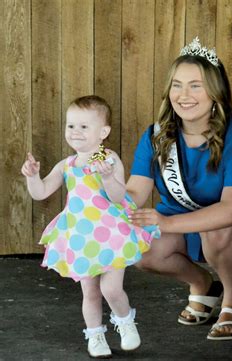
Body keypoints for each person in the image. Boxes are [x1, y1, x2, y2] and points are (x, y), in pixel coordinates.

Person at [126, 37, 232, 341]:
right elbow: (135, 193)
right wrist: (95, 201)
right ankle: (202, 284)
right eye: (177, 85)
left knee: (217, 227)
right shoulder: (155, 136)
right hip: (183, 218)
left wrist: (166, 223)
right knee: (139, 244)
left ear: (216, 92)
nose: (184, 95)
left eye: (196, 85)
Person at [21, 95, 155, 358]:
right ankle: (95, 336)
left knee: (111, 288)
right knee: (90, 293)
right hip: (81, 237)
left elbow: (118, 197)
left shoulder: (109, 159)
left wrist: (107, 176)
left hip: (110, 233)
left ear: (103, 132)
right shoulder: (67, 165)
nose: (75, 132)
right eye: (71, 126)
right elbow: (41, 192)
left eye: (84, 126)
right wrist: (33, 176)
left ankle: (125, 320)